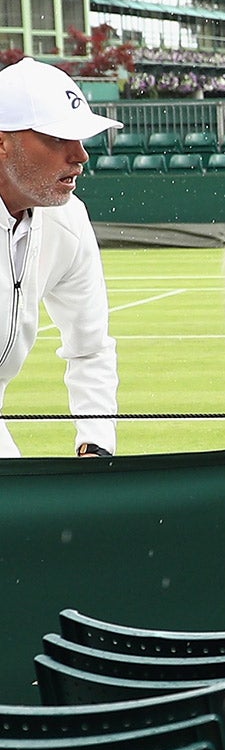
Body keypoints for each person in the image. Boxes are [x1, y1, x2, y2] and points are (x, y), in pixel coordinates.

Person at [0, 58, 119, 458]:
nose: (80, 155)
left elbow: (91, 346)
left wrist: (96, 440)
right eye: (57, 138)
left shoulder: (69, 219)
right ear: (2, 142)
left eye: (81, 138)